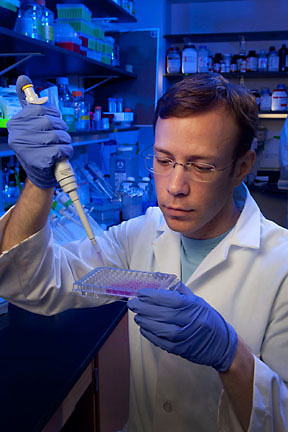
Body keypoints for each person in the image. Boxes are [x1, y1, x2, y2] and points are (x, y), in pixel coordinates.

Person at [0, 73, 288, 432]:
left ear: (242, 168)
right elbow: (33, 284)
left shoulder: (282, 266)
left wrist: (232, 356)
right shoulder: (140, 236)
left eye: (201, 166)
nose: (174, 187)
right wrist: (38, 182)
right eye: (164, 160)